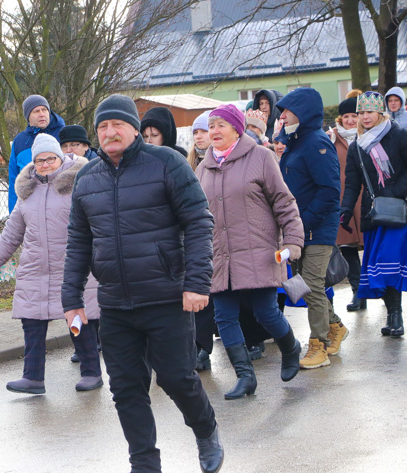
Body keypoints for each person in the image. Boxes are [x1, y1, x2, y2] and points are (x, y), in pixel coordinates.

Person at [62, 95, 223, 473]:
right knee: (126, 388)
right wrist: (71, 298)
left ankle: (205, 429)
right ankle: (146, 470)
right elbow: (78, 242)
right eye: (102, 127)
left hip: (166, 296)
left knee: (176, 377)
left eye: (117, 125)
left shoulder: (166, 163)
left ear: (134, 128)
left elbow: (199, 223)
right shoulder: (88, 178)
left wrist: (197, 283)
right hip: (115, 303)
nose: (110, 133)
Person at [195, 105, 304, 400]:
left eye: (221, 125)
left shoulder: (261, 157)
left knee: (265, 311)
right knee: (225, 316)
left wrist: (293, 242)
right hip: (219, 256)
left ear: (236, 129)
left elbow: (284, 203)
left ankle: (290, 347)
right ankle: (245, 377)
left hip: (259, 250)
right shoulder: (202, 168)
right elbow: (195, 216)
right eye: (211, 125)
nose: (214, 131)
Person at [0, 135, 102, 393]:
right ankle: (33, 378)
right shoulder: (27, 192)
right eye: (40, 160)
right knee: (32, 323)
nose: (45, 164)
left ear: (59, 158)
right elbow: (12, 231)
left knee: (79, 322)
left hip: (72, 266)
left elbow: (96, 222)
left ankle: (91, 372)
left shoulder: (78, 184)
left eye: (50, 158)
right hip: (34, 268)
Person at [341, 92, 407, 337]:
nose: (364, 117)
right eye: (361, 113)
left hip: (397, 212)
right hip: (374, 215)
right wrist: (345, 209)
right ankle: (393, 313)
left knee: (389, 267)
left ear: (380, 112)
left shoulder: (399, 135)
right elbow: (352, 183)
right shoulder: (357, 147)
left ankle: (396, 315)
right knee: (381, 270)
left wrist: (395, 191)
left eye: (368, 112)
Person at [276, 87, 347, 368]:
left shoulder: (317, 142)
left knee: (313, 285)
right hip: (298, 230)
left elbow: (330, 191)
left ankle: (319, 345)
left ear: (303, 113)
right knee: (302, 286)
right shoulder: (296, 141)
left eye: (287, 111)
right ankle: (336, 326)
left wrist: (302, 224)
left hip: (317, 229)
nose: (281, 116)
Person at [141, 106, 215, 371]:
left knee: (197, 297)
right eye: (145, 135)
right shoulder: (140, 162)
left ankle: (201, 348)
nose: (149, 140)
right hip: (157, 245)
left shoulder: (179, 160)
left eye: (155, 135)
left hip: (183, 238)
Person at [330, 90, 366, 312]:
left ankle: (382, 293)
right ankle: (358, 292)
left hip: (368, 199)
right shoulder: (332, 138)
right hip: (344, 199)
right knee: (348, 249)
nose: (350, 120)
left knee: (373, 246)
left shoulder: (369, 136)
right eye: (346, 117)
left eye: (354, 116)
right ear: (340, 118)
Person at [7, 95, 66, 212]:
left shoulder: (64, 134)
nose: (42, 114)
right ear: (28, 116)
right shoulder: (20, 141)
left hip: (61, 204)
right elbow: (14, 179)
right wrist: (13, 212)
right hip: (30, 206)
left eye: (44, 110)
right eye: (36, 111)